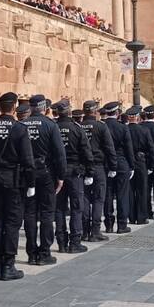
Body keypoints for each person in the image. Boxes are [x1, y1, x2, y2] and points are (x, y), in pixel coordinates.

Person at [0, 92, 34, 280]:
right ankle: (8, 265)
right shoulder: (19, 129)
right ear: (14, 108)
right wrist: (31, 183)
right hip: (13, 180)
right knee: (12, 222)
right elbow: (27, 159)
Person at [21, 95, 65, 264]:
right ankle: (45, 253)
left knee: (30, 213)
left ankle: (32, 253)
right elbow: (59, 154)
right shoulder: (50, 125)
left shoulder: (22, 124)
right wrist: (61, 176)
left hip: (27, 174)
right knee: (47, 213)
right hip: (46, 173)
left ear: (31, 108)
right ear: (44, 108)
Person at [53, 99, 94, 253]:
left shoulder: (54, 127)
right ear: (69, 111)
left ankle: (61, 242)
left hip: (58, 172)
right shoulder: (76, 128)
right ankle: (75, 242)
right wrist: (90, 172)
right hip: (74, 172)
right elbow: (86, 152)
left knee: (59, 208)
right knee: (77, 207)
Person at [80, 100, 114, 241]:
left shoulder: (79, 126)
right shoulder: (101, 126)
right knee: (99, 199)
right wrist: (113, 166)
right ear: (95, 111)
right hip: (98, 166)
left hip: (83, 167)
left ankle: (85, 231)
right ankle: (95, 231)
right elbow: (109, 148)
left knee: (85, 199)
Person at [101, 102, 133, 233]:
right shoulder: (122, 127)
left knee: (108, 195)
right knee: (122, 195)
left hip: (106, 163)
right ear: (117, 113)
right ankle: (122, 224)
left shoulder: (102, 126)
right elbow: (128, 148)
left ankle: (109, 224)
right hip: (121, 162)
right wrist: (131, 165)